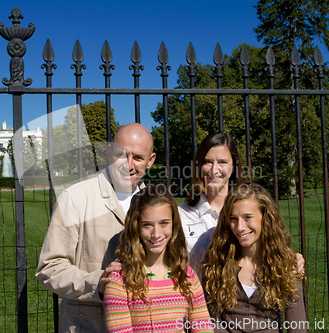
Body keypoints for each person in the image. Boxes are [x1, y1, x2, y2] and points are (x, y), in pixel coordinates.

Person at [36, 123, 156, 333]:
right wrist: (97, 282)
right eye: (121, 154)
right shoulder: (75, 198)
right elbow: (49, 267)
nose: (128, 164)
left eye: (138, 157)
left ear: (151, 161)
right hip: (89, 325)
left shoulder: (156, 205)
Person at [103, 185, 212, 333]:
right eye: (147, 225)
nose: (156, 234)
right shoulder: (120, 281)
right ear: (135, 227)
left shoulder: (186, 276)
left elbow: (203, 328)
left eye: (164, 223)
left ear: (174, 224)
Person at [200, 183, 307, 333]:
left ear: (265, 217)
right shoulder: (218, 262)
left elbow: (297, 325)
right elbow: (211, 322)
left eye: (247, 217)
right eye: (233, 218)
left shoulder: (285, 264)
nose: (240, 227)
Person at [179, 133, 248, 268]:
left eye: (222, 162)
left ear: (233, 167)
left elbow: (270, 247)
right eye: (207, 162)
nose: (214, 170)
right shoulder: (181, 215)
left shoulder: (250, 210)